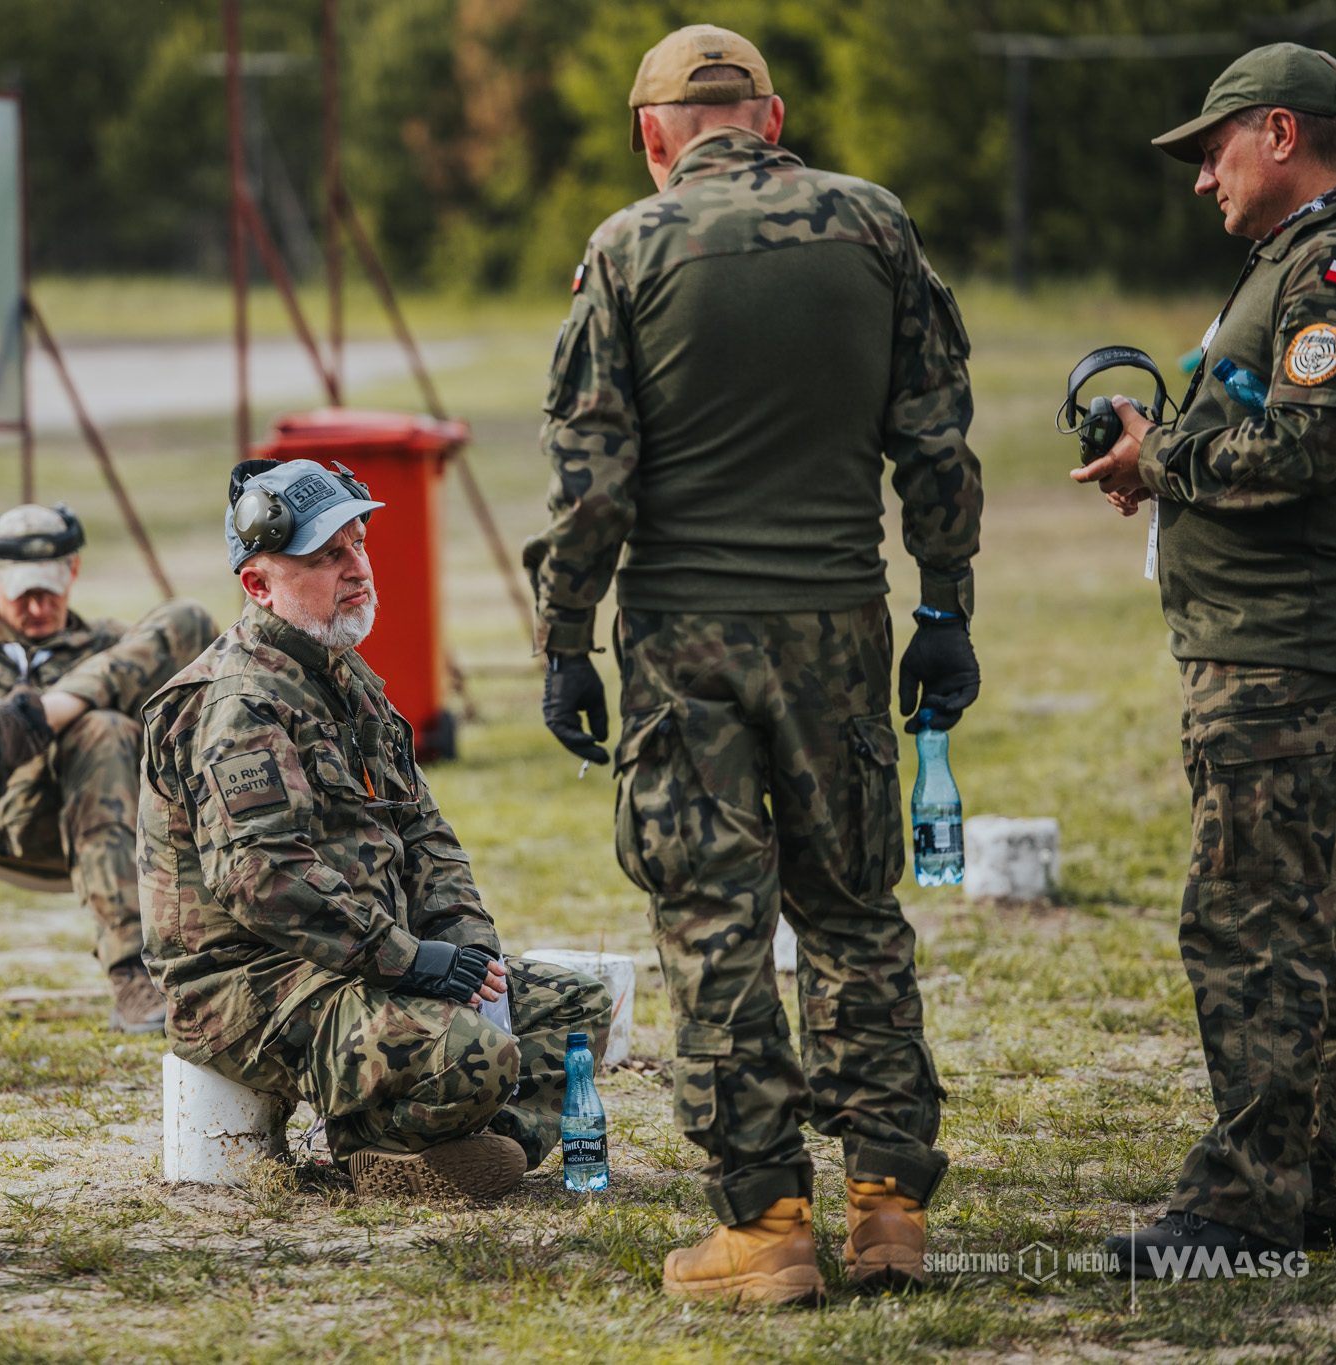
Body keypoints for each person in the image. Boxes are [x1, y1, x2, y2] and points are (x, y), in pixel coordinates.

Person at [525, 26, 982, 1303]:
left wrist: (562, 639)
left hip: (686, 643)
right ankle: (891, 1204)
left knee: (716, 922)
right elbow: (935, 435)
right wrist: (943, 604)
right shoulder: (873, 225)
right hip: (841, 621)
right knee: (852, 909)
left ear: (651, 133)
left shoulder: (628, 249)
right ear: (769, 118)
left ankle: (767, 1225)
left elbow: (591, 483)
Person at [137, 457, 613, 1201]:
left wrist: (466, 946)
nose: (356, 568)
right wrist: (410, 959)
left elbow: (425, 832)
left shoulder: (343, 674)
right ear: (259, 584)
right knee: (479, 1055)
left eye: (357, 544)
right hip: (254, 983)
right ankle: (377, 1139)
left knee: (575, 1007)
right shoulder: (239, 702)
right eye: (326, 557)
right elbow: (263, 881)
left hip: (362, 962)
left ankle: (449, 1146)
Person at [1072, 44, 1336, 1277]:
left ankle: (1239, 1213)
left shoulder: (1334, 268)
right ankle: (1329, 1181)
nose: (1202, 179)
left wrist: (1162, 463)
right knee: (1313, 929)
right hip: (1272, 648)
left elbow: (1306, 445)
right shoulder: (1294, 264)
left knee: (1248, 924)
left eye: (1213, 149)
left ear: (1279, 132)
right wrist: (1163, 441)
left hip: (1282, 660)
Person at [0, 503, 216, 1033]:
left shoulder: (109, 643)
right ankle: (131, 972)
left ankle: (39, 716)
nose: (38, 606)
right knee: (101, 728)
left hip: (114, 812)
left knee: (188, 620)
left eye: (50, 589)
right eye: (22, 592)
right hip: (3, 814)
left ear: (74, 572)